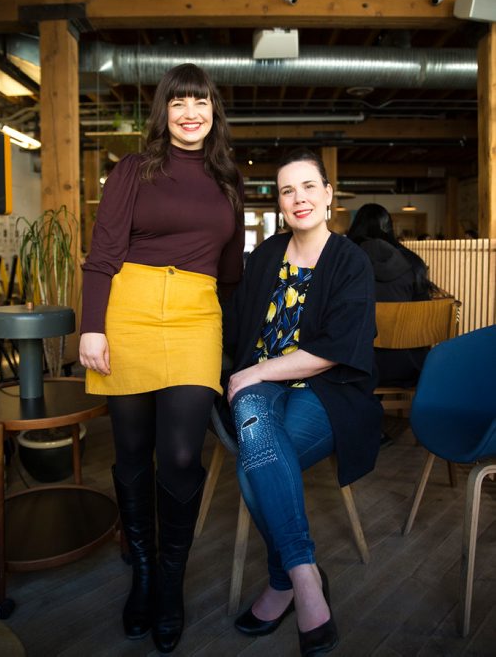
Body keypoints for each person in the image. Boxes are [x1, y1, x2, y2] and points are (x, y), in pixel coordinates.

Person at [79, 63, 244, 653]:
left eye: (200, 102)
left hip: (198, 317)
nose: (190, 113)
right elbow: (102, 254)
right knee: (130, 451)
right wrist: (91, 327)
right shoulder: (133, 169)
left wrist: (238, 349)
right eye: (178, 103)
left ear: (213, 111)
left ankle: (170, 582)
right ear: (164, 112)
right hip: (129, 311)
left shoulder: (228, 181)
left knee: (179, 454)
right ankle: (144, 572)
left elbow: (231, 275)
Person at [223, 148, 382, 656]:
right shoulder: (266, 255)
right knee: (253, 421)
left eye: (309, 186)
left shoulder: (351, 261)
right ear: (281, 203)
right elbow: (235, 325)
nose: (299, 198)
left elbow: (334, 352)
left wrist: (255, 372)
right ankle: (306, 575)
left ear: (330, 195)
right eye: (288, 190)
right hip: (262, 386)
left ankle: (284, 581)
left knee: (255, 465)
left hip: (326, 389)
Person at [347, 203, 437, 390]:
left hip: (357, 367)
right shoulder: (413, 262)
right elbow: (423, 313)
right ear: (388, 227)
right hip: (412, 365)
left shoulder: (345, 261)